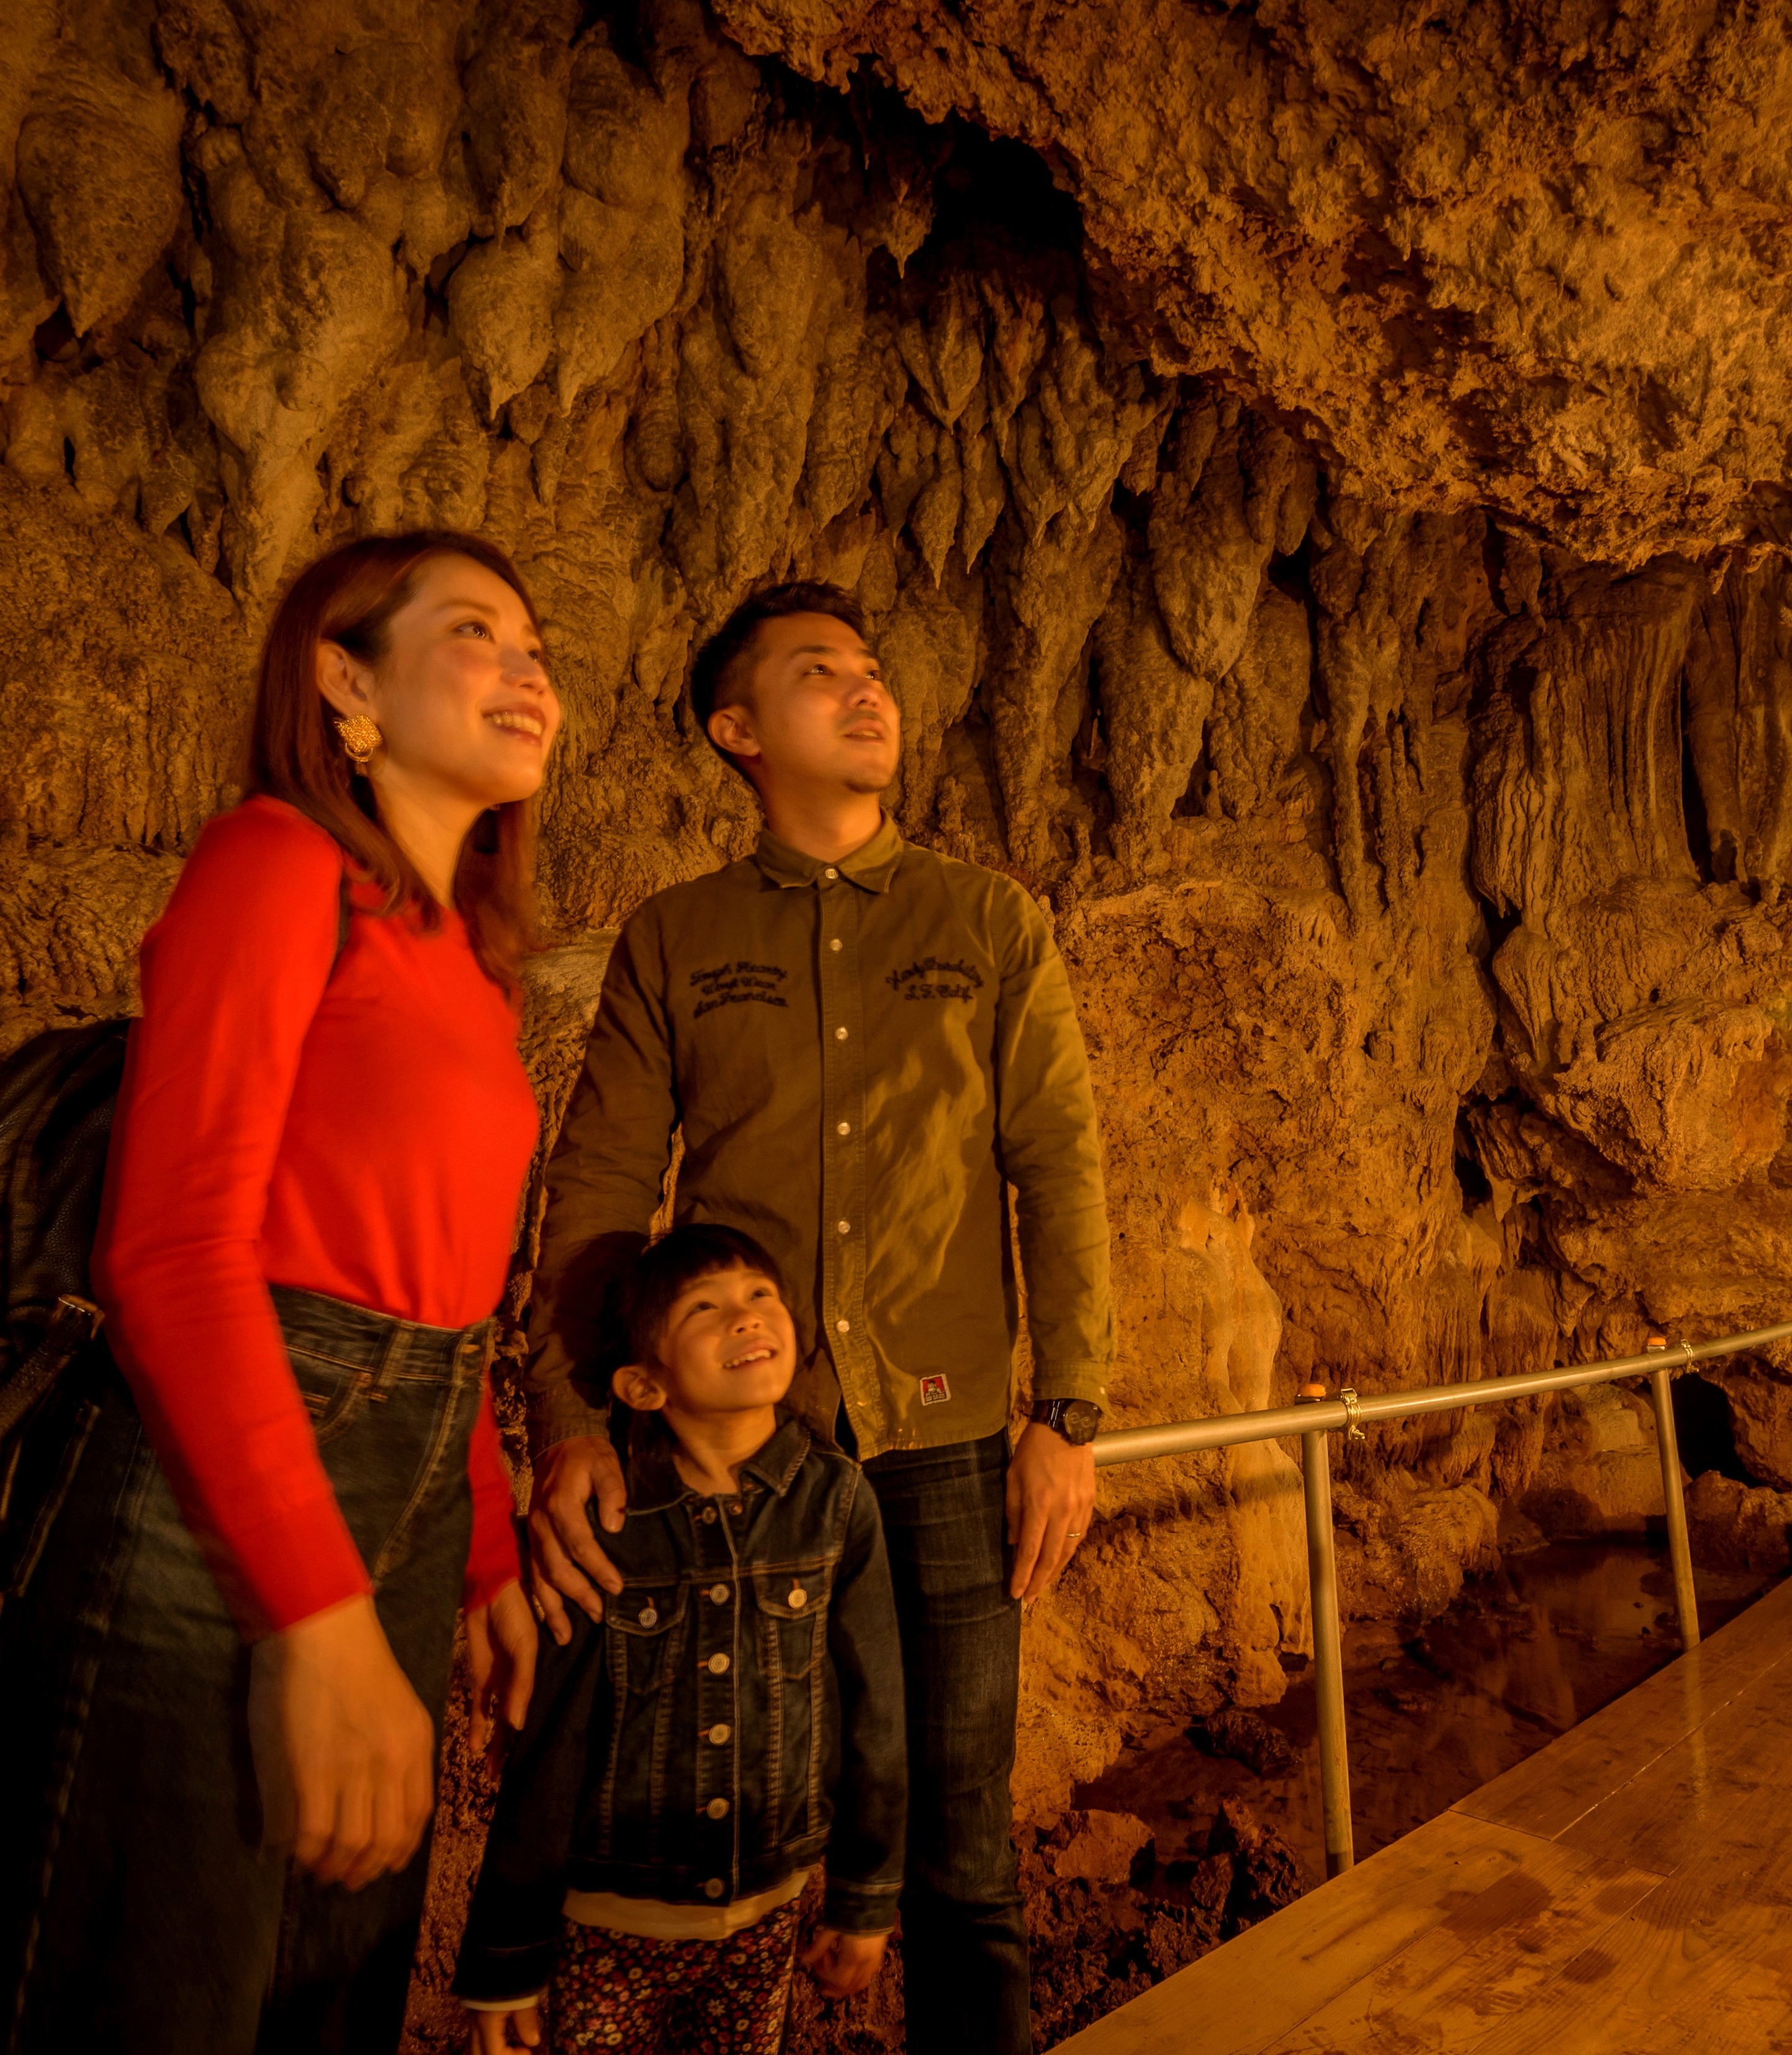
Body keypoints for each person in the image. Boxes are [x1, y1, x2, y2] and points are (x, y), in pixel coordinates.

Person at [521, 580, 1115, 2054]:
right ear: (738, 730)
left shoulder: (990, 923)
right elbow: (599, 1188)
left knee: (968, 1853)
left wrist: (1070, 1414)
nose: (867, 692)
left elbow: (1057, 1165)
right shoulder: (676, 937)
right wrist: (573, 1413)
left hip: (953, 1438)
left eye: (870, 670)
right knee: (733, 1828)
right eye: (816, 674)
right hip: (742, 1461)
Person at [0, 532, 558, 2054]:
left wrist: (487, 1549)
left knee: (326, 1996)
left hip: (408, 1492)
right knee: (157, 1991)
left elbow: (446, 1298)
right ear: (342, 681)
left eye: (536, 647)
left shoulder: (473, 968)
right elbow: (172, 1250)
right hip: (212, 1496)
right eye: (474, 632)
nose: (527, 669)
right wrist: (316, 1622)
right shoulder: (274, 863)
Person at [455, 1222, 904, 2055]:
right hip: (610, 1925)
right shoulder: (602, 1529)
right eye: (707, 1307)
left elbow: (877, 1711)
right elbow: (550, 1749)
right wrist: (506, 1960)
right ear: (642, 1384)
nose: (746, 1318)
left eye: (760, 1296)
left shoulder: (838, 1503)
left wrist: (864, 1897)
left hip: (766, 1917)